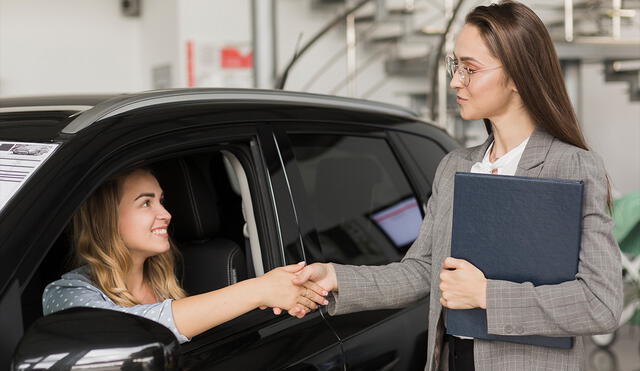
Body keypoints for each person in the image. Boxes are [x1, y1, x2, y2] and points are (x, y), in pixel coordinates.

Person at [288, 1, 624, 370]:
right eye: (455, 66)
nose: (454, 81)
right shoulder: (455, 166)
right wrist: (333, 277)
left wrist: (486, 295)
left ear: (516, 75)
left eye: (470, 68)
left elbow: (600, 303)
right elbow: (420, 271)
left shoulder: (572, 166)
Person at [42, 167, 328, 343]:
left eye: (161, 201)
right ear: (105, 219)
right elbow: (126, 332)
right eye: (145, 203)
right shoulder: (66, 294)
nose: (165, 214)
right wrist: (259, 290)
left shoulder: (166, 277)